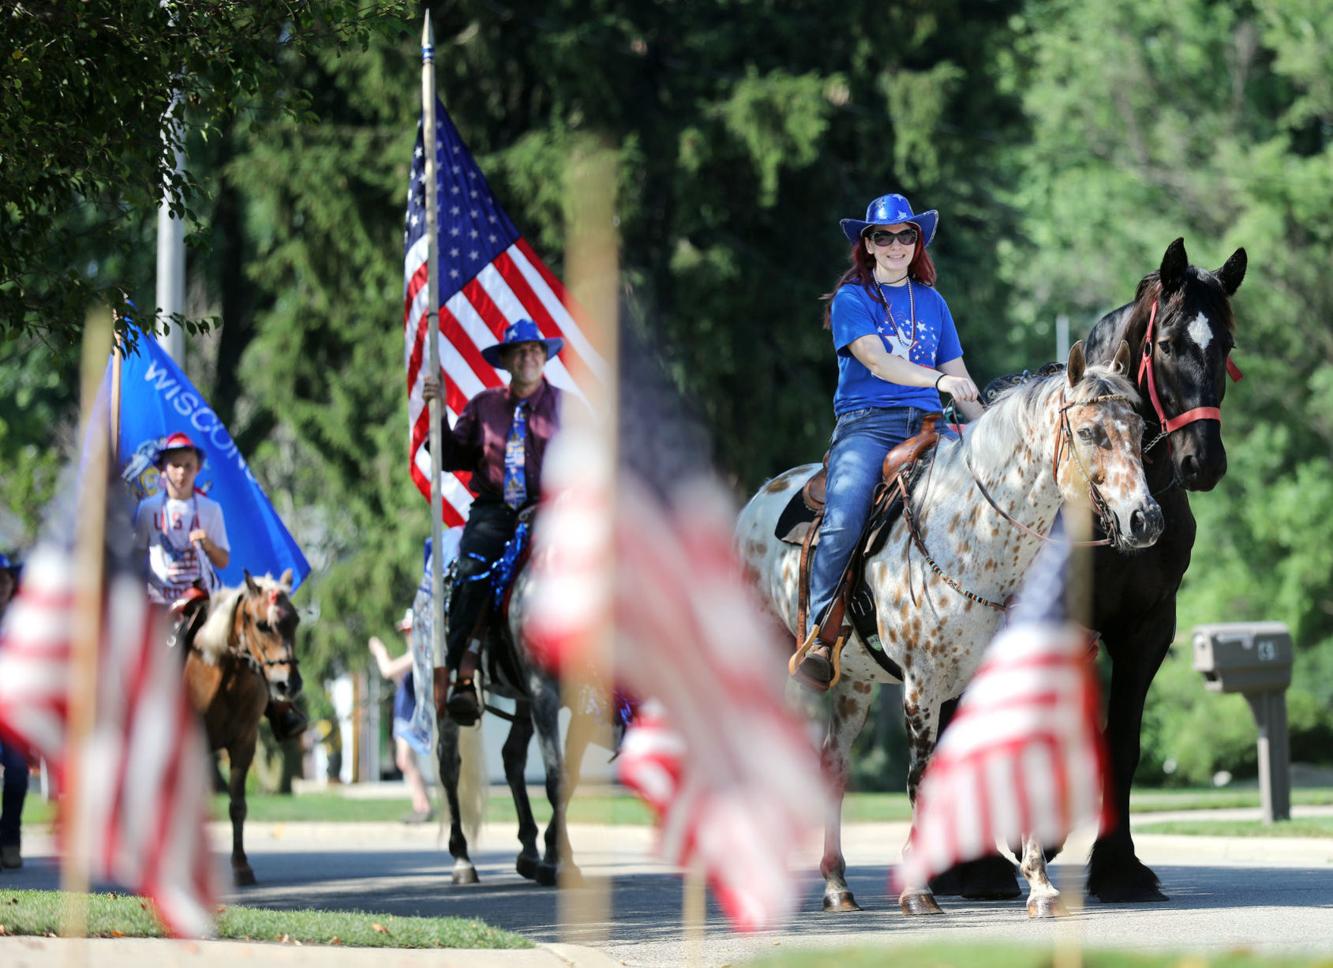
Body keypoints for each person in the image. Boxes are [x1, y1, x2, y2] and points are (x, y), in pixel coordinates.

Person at [799, 193, 984, 688]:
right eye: (884, 236)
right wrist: (939, 383)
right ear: (869, 243)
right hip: (867, 425)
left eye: (906, 235)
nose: (896, 244)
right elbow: (879, 362)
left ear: (916, 241)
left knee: (996, 493)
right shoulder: (852, 299)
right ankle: (821, 634)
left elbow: (958, 374)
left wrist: (987, 427)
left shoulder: (933, 301)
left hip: (930, 425)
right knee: (843, 519)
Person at [422, 318, 564, 725]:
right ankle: (461, 676)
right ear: (506, 361)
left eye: (535, 350)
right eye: (519, 351)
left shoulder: (565, 407)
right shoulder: (484, 407)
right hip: (495, 512)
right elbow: (453, 458)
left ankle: (618, 678)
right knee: (471, 572)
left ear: (545, 357)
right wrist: (439, 415)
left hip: (553, 511)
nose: (528, 357)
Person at [133, 431, 230, 605]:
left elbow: (223, 560)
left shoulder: (211, 509)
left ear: (198, 469)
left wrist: (208, 544)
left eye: (188, 466)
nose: (182, 472)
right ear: (162, 469)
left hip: (198, 601)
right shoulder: (148, 508)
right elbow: (137, 555)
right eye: (175, 465)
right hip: (158, 601)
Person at [369, 609, 434, 823]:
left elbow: (388, 670)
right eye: (406, 630)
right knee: (406, 761)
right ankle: (422, 804)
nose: (408, 634)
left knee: (405, 760)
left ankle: (423, 805)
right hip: (403, 714)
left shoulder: (419, 653)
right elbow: (397, 676)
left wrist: (379, 651)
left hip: (411, 715)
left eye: (410, 630)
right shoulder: (414, 655)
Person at [0, 552, 27, 870]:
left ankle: (10, 841)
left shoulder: (25, 622)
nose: (1, 586)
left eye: (5, 580)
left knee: (18, 775)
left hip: (14, 714)